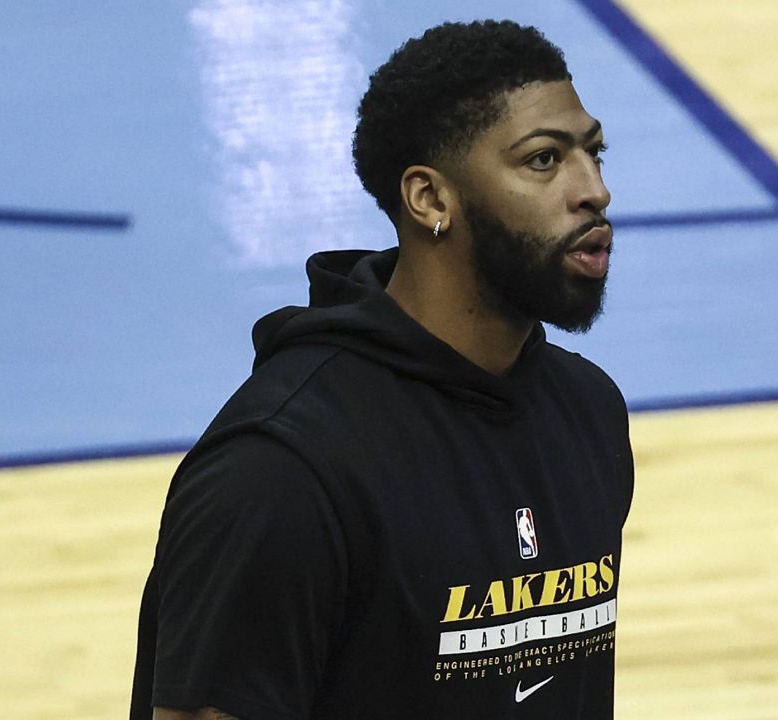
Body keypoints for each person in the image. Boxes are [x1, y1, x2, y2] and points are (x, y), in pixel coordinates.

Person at [131, 19, 633, 720]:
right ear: (430, 200)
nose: (594, 190)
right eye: (544, 161)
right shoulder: (281, 472)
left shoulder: (587, 413)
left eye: (594, 152)